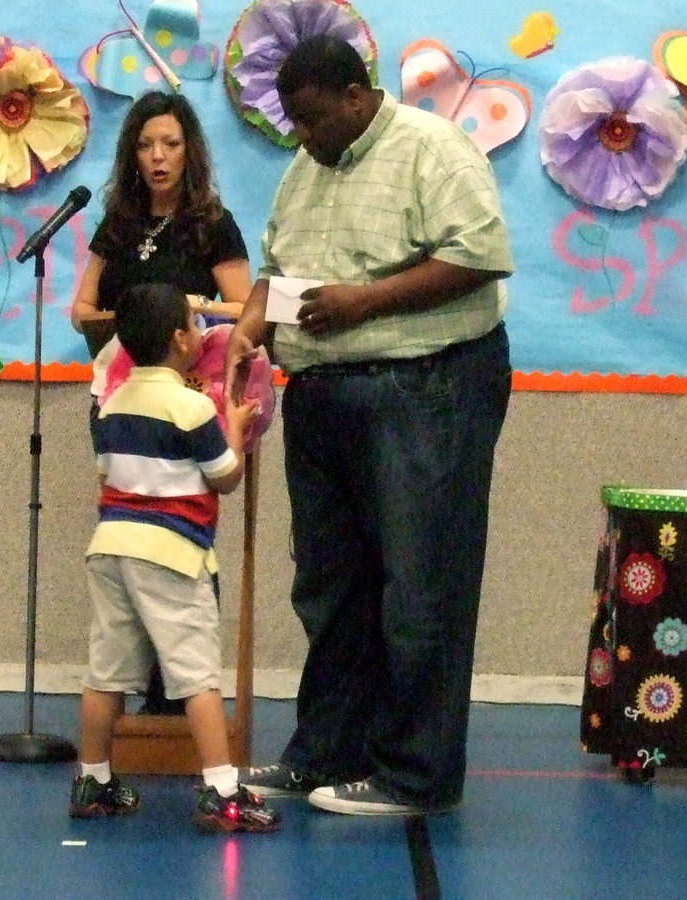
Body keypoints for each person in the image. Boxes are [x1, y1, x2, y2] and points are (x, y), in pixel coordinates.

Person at [226, 35, 514, 816]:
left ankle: (414, 775)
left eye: (313, 120)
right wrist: (251, 326)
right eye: (293, 124)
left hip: (426, 387)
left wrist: (366, 300)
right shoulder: (306, 167)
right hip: (322, 396)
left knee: (421, 586)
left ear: (357, 97)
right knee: (330, 589)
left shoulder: (435, 150)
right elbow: (277, 270)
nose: (303, 137)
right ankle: (326, 751)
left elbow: (481, 257)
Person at [69, 282, 280, 834]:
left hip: (111, 548)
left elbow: (106, 476)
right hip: (172, 555)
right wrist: (233, 426)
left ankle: (92, 780)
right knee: (196, 676)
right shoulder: (192, 407)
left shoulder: (110, 405)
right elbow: (225, 476)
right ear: (181, 339)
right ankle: (222, 791)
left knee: (106, 673)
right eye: (193, 322)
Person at [71, 90, 251, 714]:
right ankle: (137, 690)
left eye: (170, 144)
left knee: (183, 534)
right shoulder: (117, 221)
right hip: (121, 391)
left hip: (190, 395)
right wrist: (136, 320)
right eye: (145, 145)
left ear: (190, 151)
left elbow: (243, 307)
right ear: (131, 154)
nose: (157, 157)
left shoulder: (212, 222)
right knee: (129, 530)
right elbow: (82, 310)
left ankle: (183, 694)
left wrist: (189, 310)